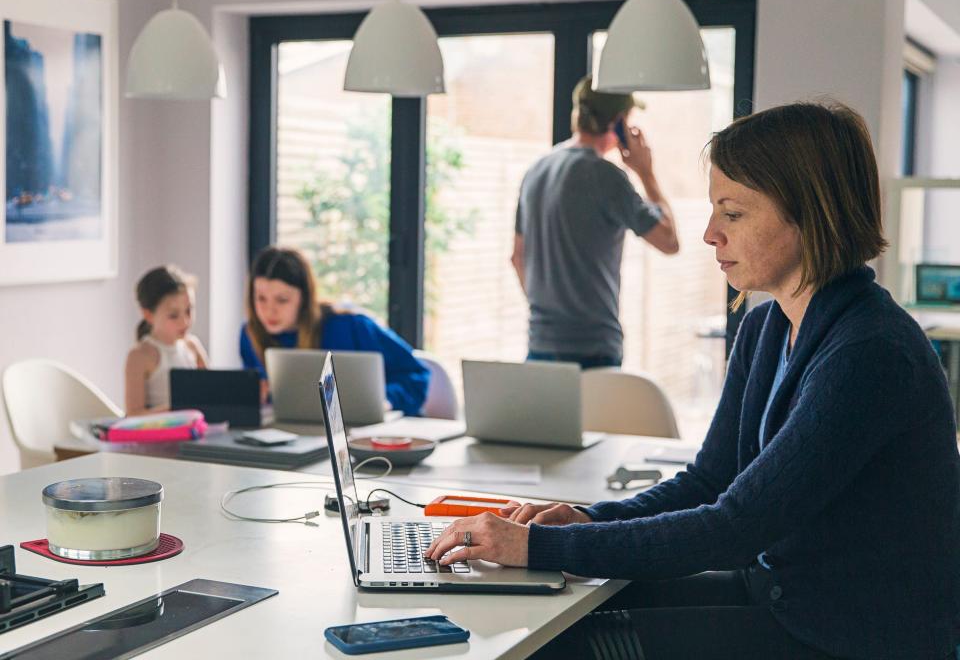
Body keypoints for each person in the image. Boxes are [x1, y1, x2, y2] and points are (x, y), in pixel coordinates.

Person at [427, 101, 960, 660]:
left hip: (849, 638)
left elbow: (733, 527)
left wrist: (539, 545)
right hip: (783, 600)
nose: (709, 234)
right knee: (554, 613)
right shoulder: (767, 326)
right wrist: (587, 517)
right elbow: (710, 483)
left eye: (732, 213)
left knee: (563, 646)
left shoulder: (870, 352)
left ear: (809, 213)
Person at [511, 75, 680, 369]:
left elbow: (517, 258)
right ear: (618, 123)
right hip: (594, 352)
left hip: (538, 346)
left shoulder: (535, 171)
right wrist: (646, 172)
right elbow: (668, 240)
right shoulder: (605, 176)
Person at [239, 246, 430, 416]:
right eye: (260, 298)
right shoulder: (250, 335)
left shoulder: (351, 326)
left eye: (282, 300)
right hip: (297, 435)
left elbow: (417, 376)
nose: (269, 310)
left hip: (369, 434)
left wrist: (386, 400)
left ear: (304, 299)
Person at [125, 266, 209, 415]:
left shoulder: (193, 346)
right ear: (148, 315)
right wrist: (177, 409)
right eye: (173, 315)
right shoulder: (140, 356)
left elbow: (213, 393)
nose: (185, 321)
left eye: (189, 310)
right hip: (159, 435)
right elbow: (133, 414)